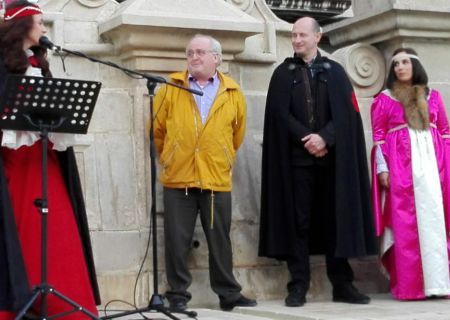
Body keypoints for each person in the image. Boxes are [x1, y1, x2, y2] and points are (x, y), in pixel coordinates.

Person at [0, 1, 100, 319]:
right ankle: (14, 301)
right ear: (21, 27)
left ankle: (59, 302)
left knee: (57, 232)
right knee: (19, 230)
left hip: (43, 161)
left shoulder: (41, 64)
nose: (43, 29)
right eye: (39, 22)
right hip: (12, 166)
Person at [259, 17, 376, 307]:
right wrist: (308, 138)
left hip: (332, 161)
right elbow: (278, 115)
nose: (297, 40)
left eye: (302, 35)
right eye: (294, 35)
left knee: (335, 218)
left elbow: (347, 115)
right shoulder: (282, 74)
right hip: (297, 161)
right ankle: (298, 284)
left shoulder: (335, 72)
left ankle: (342, 283)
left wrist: (325, 138)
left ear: (317, 37)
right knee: (299, 222)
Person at [153, 34, 256, 312]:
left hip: (215, 178)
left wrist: (220, 157)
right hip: (179, 178)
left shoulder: (232, 92)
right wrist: (172, 156)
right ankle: (177, 293)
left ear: (216, 58)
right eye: (190, 53)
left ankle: (228, 292)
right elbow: (159, 130)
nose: (194, 57)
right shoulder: (171, 87)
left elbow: (237, 133)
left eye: (200, 52)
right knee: (177, 239)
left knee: (220, 238)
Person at [370, 48, 450, 300]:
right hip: (402, 167)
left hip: (434, 168)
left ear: (415, 65)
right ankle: (411, 287)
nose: (399, 67)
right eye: (395, 64)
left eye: (405, 62)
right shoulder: (383, 99)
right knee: (405, 222)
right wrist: (382, 168)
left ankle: (441, 284)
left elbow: (445, 134)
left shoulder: (434, 96)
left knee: (436, 221)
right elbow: (378, 137)